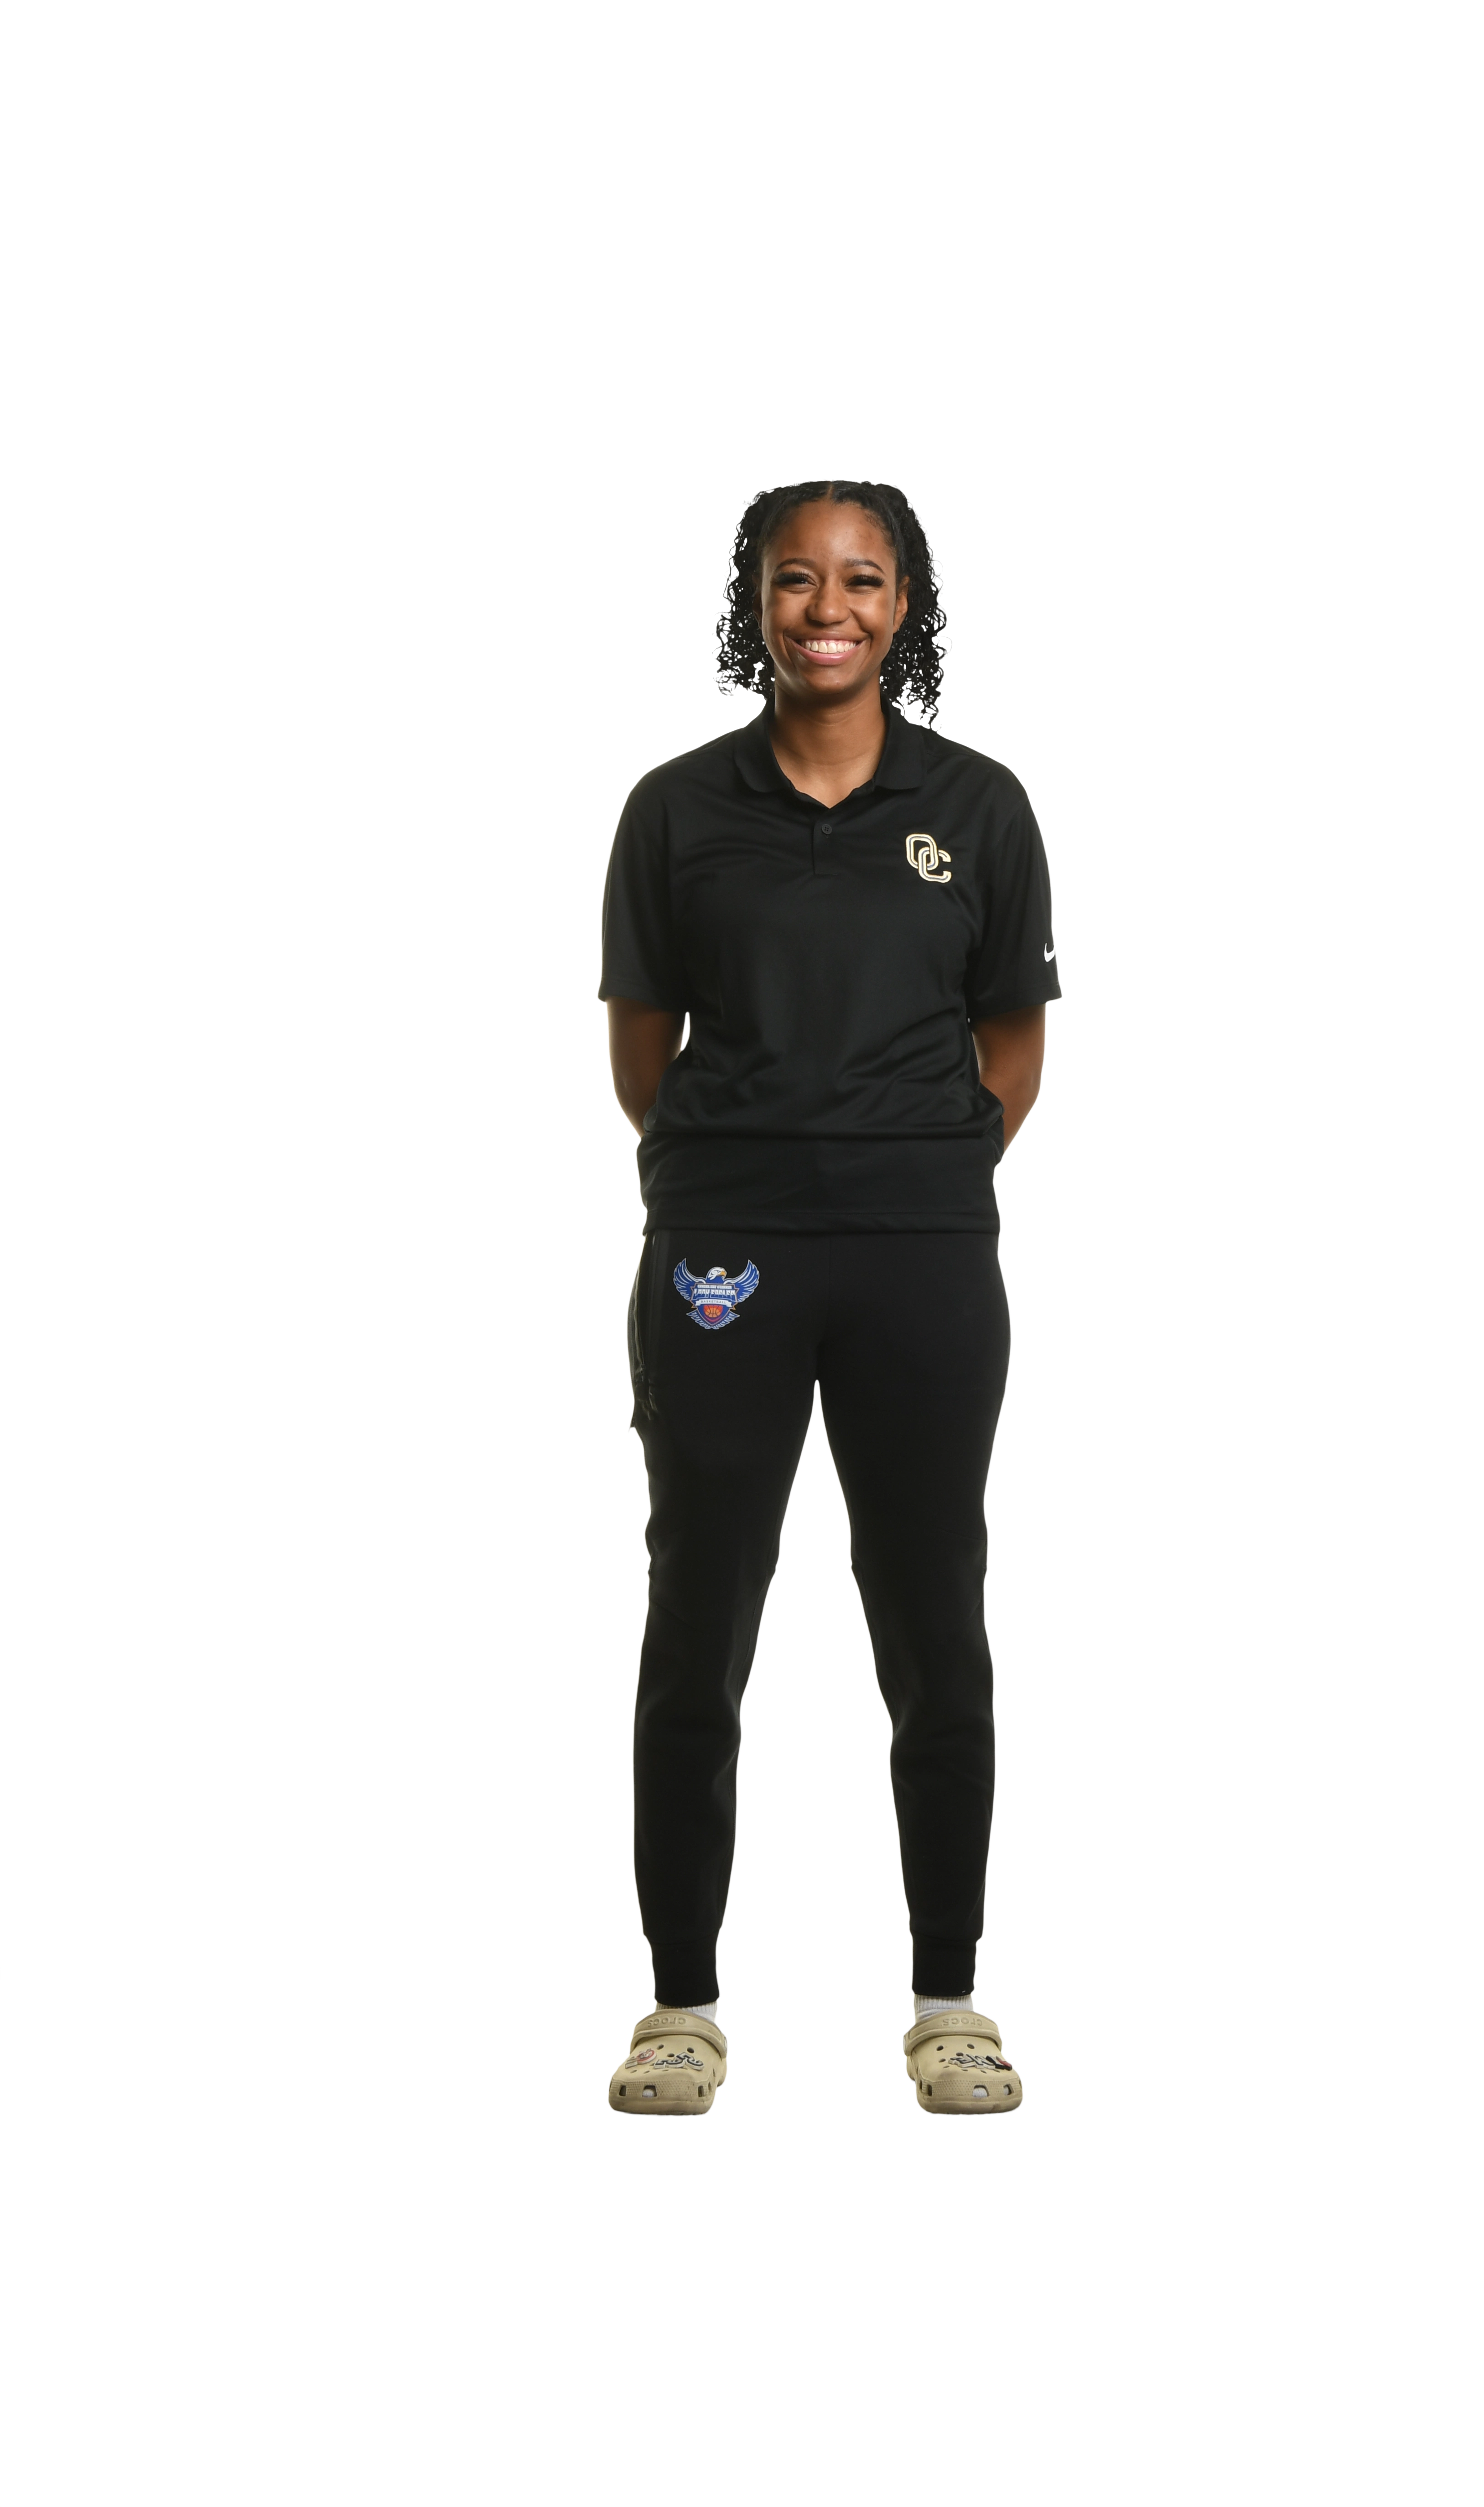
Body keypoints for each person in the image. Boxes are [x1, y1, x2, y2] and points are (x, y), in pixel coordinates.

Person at [599, 479, 1059, 2116]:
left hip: (924, 1254)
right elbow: (642, 1055)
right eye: (795, 579)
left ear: (908, 604)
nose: (827, 609)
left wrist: (907, 1172)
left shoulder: (981, 808)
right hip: (723, 1253)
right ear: (755, 602)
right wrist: (750, 1177)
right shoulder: (675, 811)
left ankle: (949, 2002)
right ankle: (679, 2005)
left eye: (863, 579)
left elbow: (1014, 1041)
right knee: (699, 1612)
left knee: (935, 1615)